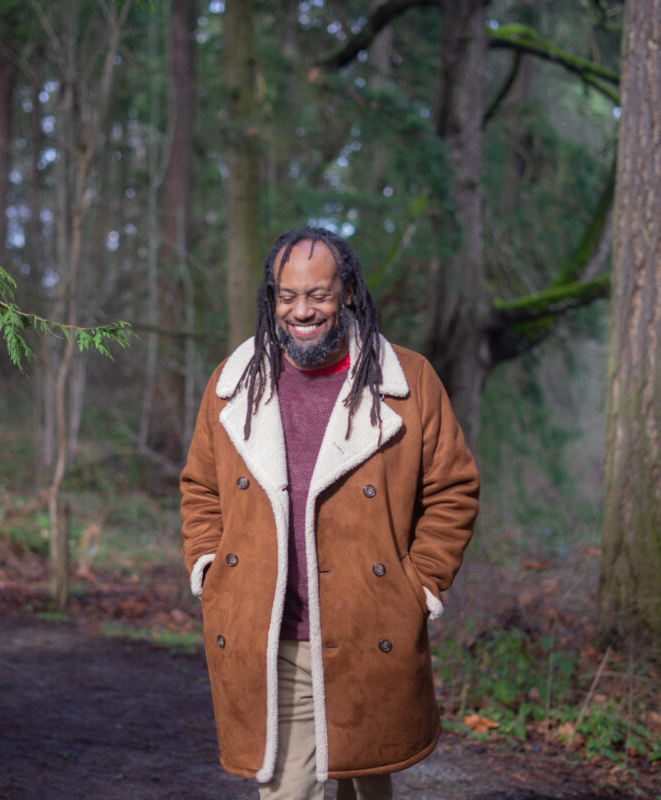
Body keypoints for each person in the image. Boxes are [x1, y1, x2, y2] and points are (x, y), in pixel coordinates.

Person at [180, 226, 480, 800]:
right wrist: (210, 563)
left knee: (364, 784)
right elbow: (200, 486)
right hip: (274, 635)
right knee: (288, 790)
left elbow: (453, 487)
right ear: (271, 299)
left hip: (371, 626)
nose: (302, 310)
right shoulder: (232, 384)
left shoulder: (408, 381)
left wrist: (420, 584)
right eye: (286, 295)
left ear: (346, 293)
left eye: (317, 294)